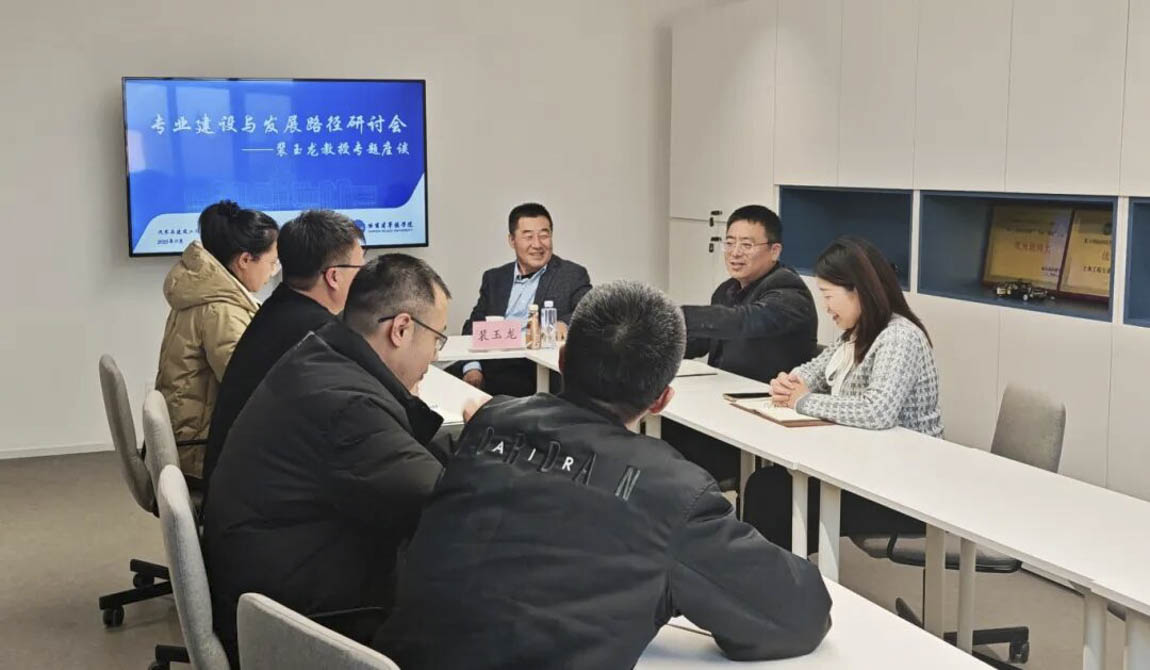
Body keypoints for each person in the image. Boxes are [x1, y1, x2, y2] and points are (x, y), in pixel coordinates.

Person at [373, 281, 832, 670]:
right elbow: (799, 613)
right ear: (662, 400)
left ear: (562, 359)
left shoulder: (489, 422)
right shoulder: (673, 492)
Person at [203, 254, 452, 665]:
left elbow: (403, 460)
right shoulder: (347, 406)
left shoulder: (322, 355)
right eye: (437, 338)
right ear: (401, 329)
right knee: (472, 585)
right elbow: (443, 501)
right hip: (301, 617)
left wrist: (474, 441)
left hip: (268, 581)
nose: (434, 355)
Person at [744, 236, 942, 551]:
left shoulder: (899, 337)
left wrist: (802, 400)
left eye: (828, 295)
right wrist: (790, 382)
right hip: (863, 468)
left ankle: (779, 577)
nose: (826, 308)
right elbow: (816, 371)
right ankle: (775, 575)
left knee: (774, 497)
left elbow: (877, 411)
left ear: (858, 291)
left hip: (903, 487)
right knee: (767, 486)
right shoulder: (857, 333)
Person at [201, 209, 365, 488]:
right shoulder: (317, 335)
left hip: (236, 482)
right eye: (359, 270)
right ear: (334, 276)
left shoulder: (278, 310)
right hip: (259, 494)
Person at [664, 204, 818, 486]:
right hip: (721, 405)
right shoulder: (727, 290)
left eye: (746, 245)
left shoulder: (789, 292)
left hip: (763, 422)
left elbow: (743, 321)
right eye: (730, 243)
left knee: (669, 449)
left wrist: (671, 314)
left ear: (774, 251)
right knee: (658, 426)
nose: (735, 253)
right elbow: (700, 341)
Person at [155, 200, 279, 478]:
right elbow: (248, 388)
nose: (274, 271)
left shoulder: (204, 294)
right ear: (245, 260)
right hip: (202, 453)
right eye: (272, 262)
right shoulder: (220, 311)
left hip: (190, 438)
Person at [456, 202, 592, 396]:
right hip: (492, 368)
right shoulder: (495, 278)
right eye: (528, 236)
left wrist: (564, 323)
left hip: (537, 371)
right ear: (512, 240)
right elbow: (473, 325)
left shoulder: (571, 275)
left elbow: (590, 312)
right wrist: (472, 368)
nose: (537, 244)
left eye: (544, 235)